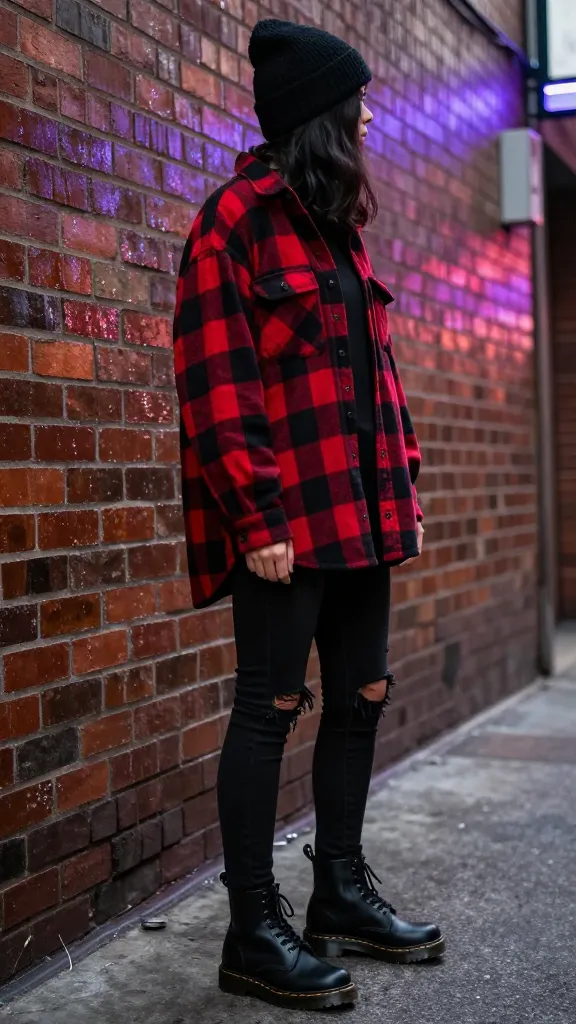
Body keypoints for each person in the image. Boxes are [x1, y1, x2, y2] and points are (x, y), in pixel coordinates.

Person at [174, 18, 444, 1010]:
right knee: (268, 710)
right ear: (320, 118)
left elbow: (380, 379)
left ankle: (339, 891)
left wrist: (405, 486)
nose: (370, 114)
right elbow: (214, 376)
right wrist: (256, 514)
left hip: (362, 515)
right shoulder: (234, 220)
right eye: (357, 103)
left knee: (360, 698)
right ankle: (253, 930)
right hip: (287, 526)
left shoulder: (338, 230)